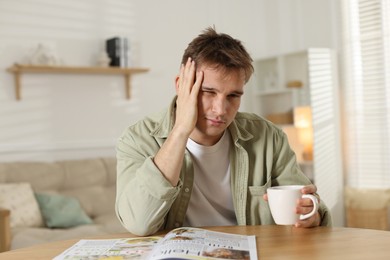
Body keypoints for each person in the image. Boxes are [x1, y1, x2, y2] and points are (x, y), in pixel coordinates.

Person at [115, 27, 332, 236]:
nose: (220, 110)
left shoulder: (268, 137)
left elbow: (312, 207)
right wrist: (181, 129)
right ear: (181, 85)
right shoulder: (138, 139)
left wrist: (311, 216)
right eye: (208, 92)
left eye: (233, 96)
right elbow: (139, 223)